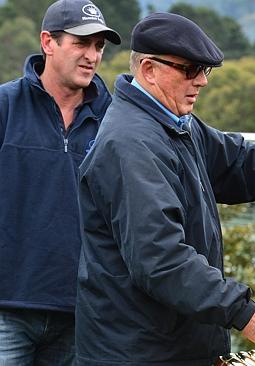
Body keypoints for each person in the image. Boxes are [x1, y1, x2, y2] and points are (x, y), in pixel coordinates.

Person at [75, 12, 255, 365]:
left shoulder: (174, 125)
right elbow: (160, 258)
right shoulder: (131, 143)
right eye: (190, 69)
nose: (202, 81)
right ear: (149, 70)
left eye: (205, 70)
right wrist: (243, 312)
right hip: (141, 353)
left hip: (172, 347)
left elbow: (240, 164)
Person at [0, 0, 120, 364]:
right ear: (48, 42)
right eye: (80, 43)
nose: (92, 56)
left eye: (98, 46)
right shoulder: (5, 106)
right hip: (6, 311)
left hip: (81, 316)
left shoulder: (113, 123)